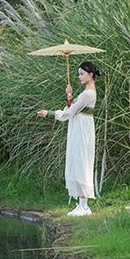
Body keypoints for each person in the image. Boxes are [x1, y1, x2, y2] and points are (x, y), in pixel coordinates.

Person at [37, 60, 99, 216]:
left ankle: (84, 206)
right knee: (79, 160)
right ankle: (81, 204)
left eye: (82, 74)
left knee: (81, 162)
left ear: (90, 75)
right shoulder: (87, 93)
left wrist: (49, 114)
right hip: (80, 127)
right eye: (78, 74)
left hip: (82, 130)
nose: (79, 77)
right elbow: (73, 109)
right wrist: (69, 96)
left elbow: (69, 113)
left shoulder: (88, 94)